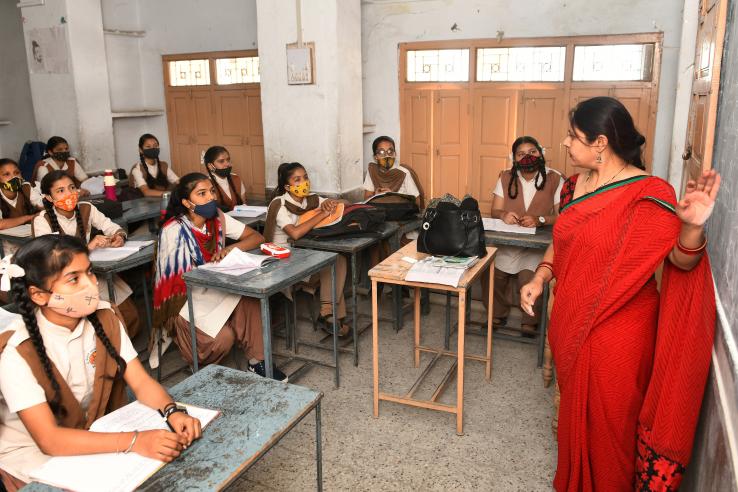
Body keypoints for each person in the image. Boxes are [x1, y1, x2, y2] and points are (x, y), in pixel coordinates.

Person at [520, 97, 719, 491]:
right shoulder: (576, 186)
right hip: (572, 322)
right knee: (577, 424)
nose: (564, 143)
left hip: (619, 337)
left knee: (612, 431)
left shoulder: (647, 192)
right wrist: (541, 276)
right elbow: (564, 241)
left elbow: (680, 262)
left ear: (599, 143)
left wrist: (693, 227)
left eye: (573, 136)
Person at [0, 235, 201, 489]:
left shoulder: (105, 318)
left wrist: (171, 411)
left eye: (90, 273)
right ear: (39, 295)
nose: (91, 284)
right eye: (74, 279)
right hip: (32, 453)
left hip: (88, 429)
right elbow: (49, 440)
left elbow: (139, 381)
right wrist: (137, 441)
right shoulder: (17, 352)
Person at [152, 173, 286, 381]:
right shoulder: (174, 230)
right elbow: (180, 281)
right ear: (187, 203)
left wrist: (232, 249)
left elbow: (257, 237)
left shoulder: (218, 218)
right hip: (187, 298)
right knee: (223, 339)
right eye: (202, 194)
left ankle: (258, 362)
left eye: (212, 192)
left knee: (249, 299)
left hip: (216, 286)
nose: (210, 198)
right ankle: (199, 354)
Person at [32, 170, 140, 339]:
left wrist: (119, 236)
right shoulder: (42, 221)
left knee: (130, 315)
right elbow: (50, 259)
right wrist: (88, 247)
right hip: (64, 283)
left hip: (92, 273)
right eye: (60, 191)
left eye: (71, 187)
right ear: (48, 198)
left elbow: (111, 226)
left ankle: (123, 350)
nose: (69, 194)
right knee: (107, 320)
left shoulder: (86, 208)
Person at [482, 136, 564, 335]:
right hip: (510, 241)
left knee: (529, 275)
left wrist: (540, 219)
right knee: (492, 272)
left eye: (532, 152)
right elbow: (495, 211)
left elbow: (563, 215)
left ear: (541, 154)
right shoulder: (506, 177)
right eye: (521, 154)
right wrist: (504, 215)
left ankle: (530, 321)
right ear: (514, 158)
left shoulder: (554, 178)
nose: (527, 157)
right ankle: (496, 314)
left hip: (538, 244)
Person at [263, 162, 351, 337]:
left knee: (339, 258)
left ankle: (327, 312)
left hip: (305, 252)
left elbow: (346, 202)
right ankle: (329, 315)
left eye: (305, 177)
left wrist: (331, 204)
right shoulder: (279, 204)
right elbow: (294, 234)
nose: (303, 182)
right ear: (287, 187)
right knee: (331, 262)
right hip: (283, 261)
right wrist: (322, 214)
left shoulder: (310, 199)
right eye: (297, 180)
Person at [203, 145, 246, 211]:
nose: (227, 164)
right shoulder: (206, 184)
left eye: (228, 160)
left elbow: (244, 204)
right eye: (221, 161)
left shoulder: (236, 179)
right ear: (210, 166)